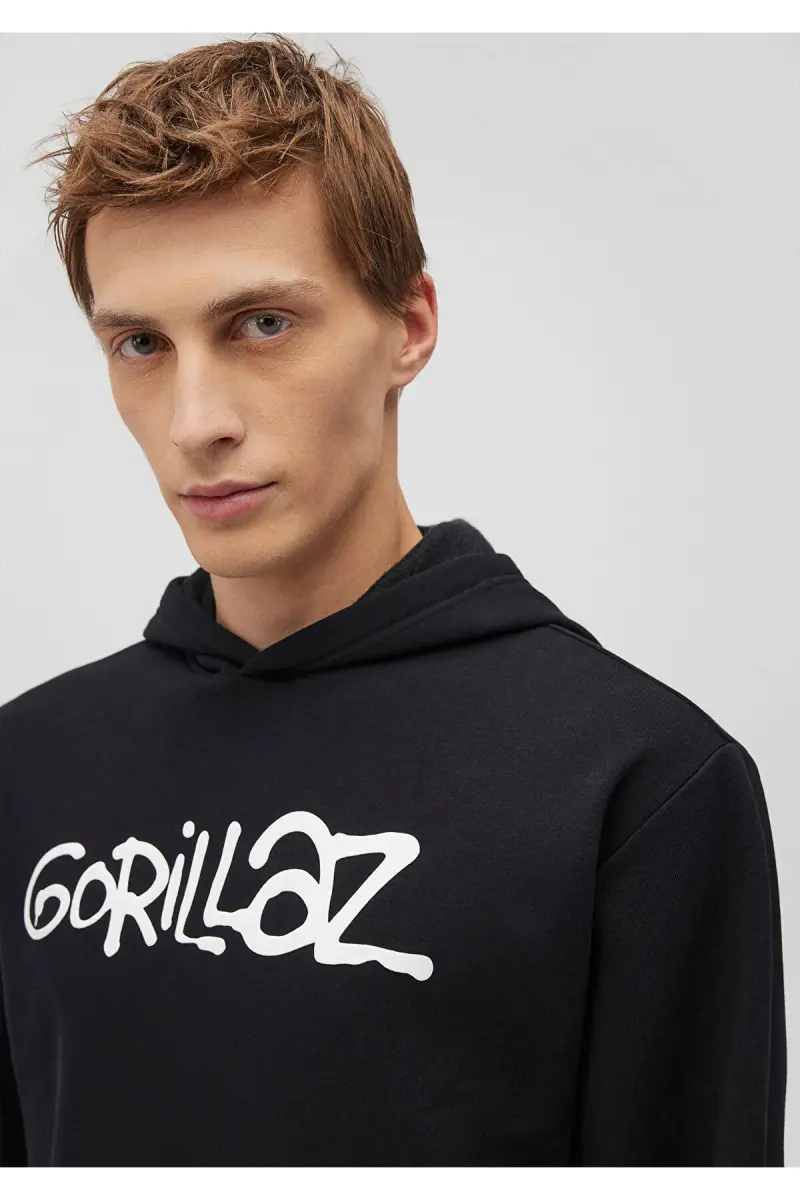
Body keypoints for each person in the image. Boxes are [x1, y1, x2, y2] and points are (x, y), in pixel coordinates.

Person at [0, 33, 786, 1168]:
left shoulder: (638, 782)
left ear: (408, 327)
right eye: (140, 344)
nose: (194, 421)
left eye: (261, 324)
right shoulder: (26, 767)